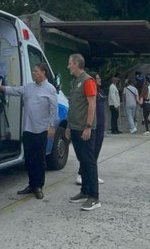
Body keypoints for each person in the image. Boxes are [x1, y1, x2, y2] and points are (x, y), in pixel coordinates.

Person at [0, 64, 58, 200]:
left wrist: (51, 126)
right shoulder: (29, 87)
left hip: (41, 130)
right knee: (29, 159)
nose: (33, 73)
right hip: (28, 129)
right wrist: (0, 87)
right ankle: (31, 184)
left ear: (43, 72)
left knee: (39, 160)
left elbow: (53, 109)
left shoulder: (50, 89)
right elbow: (15, 90)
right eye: (33, 71)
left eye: (36, 71)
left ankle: (38, 186)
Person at [64, 54, 101, 211]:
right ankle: (85, 191)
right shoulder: (74, 81)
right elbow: (73, 106)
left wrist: (88, 126)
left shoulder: (88, 81)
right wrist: (68, 126)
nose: (68, 66)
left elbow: (92, 104)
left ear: (77, 64)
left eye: (70, 63)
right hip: (75, 127)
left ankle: (94, 196)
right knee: (82, 160)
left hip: (84, 128)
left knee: (89, 161)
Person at [77, 71, 105, 186]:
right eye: (97, 78)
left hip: (101, 126)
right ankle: (81, 174)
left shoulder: (100, 92)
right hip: (93, 126)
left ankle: (92, 174)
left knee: (96, 150)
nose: (100, 80)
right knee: (89, 152)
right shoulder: (90, 93)